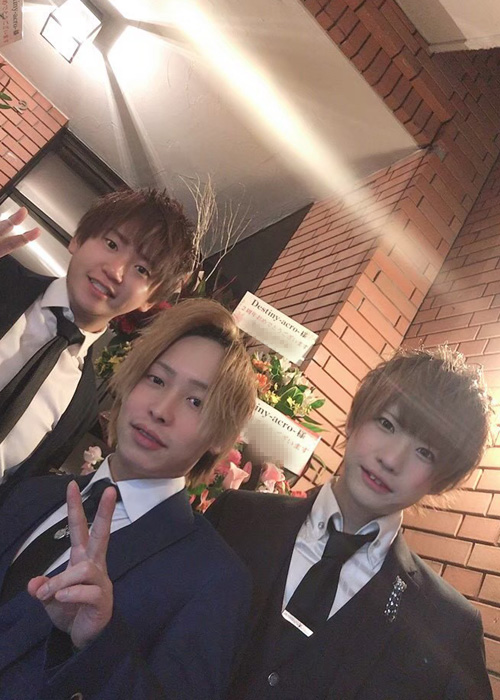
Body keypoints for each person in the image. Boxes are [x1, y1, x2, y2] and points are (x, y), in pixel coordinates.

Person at [0, 297, 257, 699]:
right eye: (156, 379)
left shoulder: (215, 580)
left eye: (196, 402)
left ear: (220, 436)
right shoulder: (35, 492)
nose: (161, 410)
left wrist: (96, 644)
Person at [206, 346, 494, 700]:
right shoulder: (236, 518)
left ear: (442, 480)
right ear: (356, 418)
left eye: (425, 452)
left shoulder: (449, 627)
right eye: (387, 424)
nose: (391, 459)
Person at [0, 189, 197, 497]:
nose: (115, 271)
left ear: (151, 299)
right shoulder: (4, 280)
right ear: (78, 239)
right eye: (112, 244)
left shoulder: (82, 404)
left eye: (141, 270)